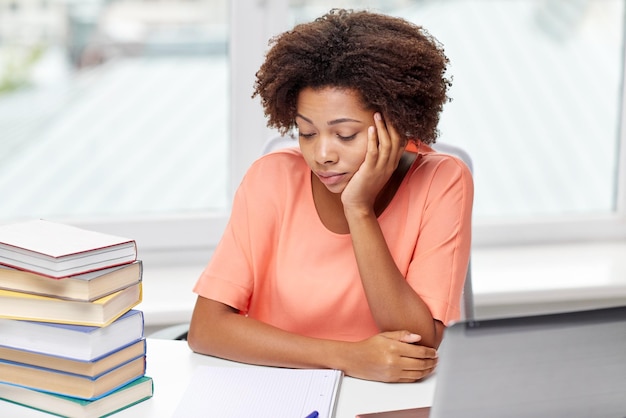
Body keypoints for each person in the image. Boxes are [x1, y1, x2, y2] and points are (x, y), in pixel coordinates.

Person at [187, 8, 473, 383]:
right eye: (307, 133)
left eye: (345, 135)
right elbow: (206, 329)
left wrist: (359, 209)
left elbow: (417, 343)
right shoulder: (271, 178)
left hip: (385, 400)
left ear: (396, 122)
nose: (322, 154)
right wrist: (348, 357)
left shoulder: (442, 180)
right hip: (275, 389)